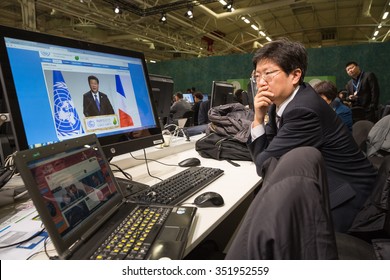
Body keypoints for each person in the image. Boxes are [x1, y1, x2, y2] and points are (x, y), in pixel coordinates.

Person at [248, 38, 377, 233]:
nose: (261, 83)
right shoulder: (283, 102)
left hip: (349, 196)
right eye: (257, 76)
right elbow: (272, 146)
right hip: (328, 180)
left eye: (268, 73)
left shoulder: (303, 109)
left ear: (295, 75)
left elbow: (264, 164)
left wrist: (258, 119)